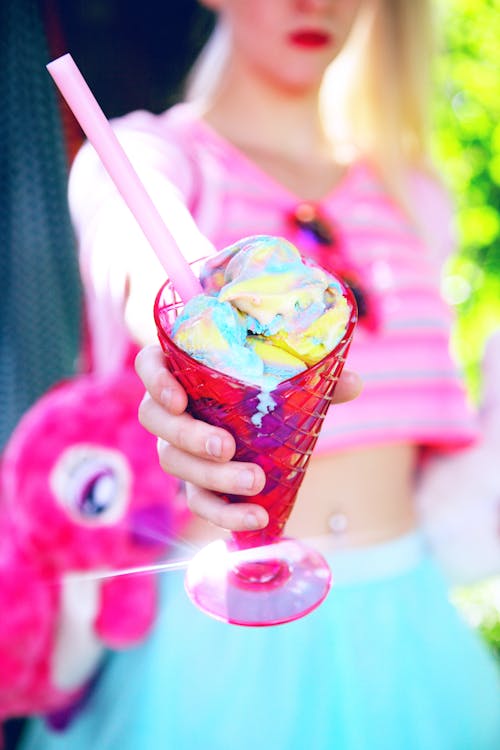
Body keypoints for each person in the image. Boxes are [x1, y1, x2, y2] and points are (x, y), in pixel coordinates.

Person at [20, 1, 500, 748]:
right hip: (215, 652)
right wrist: (182, 318)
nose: (317, 4)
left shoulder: (415, 199)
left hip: (406, 631)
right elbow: (132, 224)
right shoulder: (154, 155)